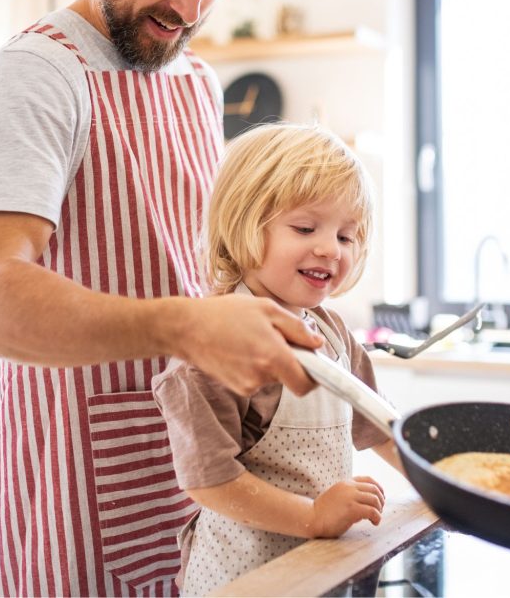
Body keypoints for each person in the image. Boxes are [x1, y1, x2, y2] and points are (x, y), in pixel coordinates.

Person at [0, 0, 321, 596]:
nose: (189, 7)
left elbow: (194, 265)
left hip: (199, 484)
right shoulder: (37, 74)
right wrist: (186, 327)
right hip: (80, 497)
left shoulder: (197, 82)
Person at [152, 124, 404, 596]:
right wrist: (312, 516)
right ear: (244, 224)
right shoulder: (212, 348)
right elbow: (209, 482)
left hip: (318, 566)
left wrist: (441, 486)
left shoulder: (332, 333)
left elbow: (383, 426)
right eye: (306, 228)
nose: (331, 248)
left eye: (347, 236)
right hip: (245, 576)